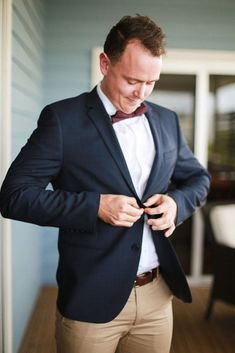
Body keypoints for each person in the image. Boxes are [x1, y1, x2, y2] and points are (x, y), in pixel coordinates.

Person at [0, 15, 210, 353]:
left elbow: (198, 179)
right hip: (90, 299)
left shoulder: (167, 120)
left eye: (151, 82)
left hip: (158, 296)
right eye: (132, 80)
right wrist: (95, 206)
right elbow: (14, 196)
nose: (142, 93)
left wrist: (176, 204)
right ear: (104, 63)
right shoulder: (62, 120)